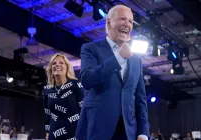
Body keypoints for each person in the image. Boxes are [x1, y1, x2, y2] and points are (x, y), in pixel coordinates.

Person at [76, 4, 150, 140]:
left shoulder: (136, 60)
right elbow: (87, 80)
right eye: (122, 19)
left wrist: (143, 132)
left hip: (129, 132)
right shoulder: (90, 49)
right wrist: (118, 58)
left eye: (130, 21)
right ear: (109, 22)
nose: (127, 24)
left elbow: (140, 99)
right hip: (97, 129)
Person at [43, 53, 84, 140]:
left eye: (61, 63)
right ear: (51, 70)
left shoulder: (76, 85)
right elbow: (47, 114)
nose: (57, 65)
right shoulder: (47, 90)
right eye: (54, 63)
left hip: (74, 134)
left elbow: (84, 111)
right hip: (54, 134)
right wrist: (47, 131)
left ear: (67, 68)